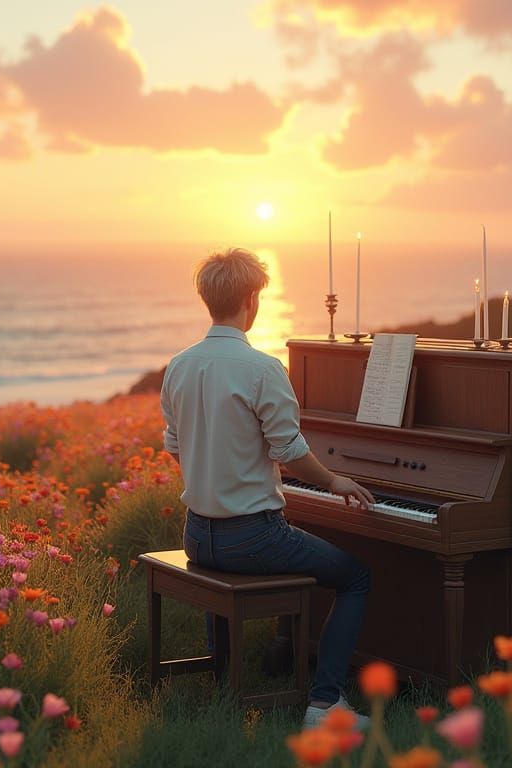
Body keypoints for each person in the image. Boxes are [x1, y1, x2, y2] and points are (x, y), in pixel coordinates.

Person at [160, 247, 376, 728]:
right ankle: (325, 702)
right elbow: (291, 453)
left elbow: (175, 445)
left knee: (284, 549)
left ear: (208, 300)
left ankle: (230, 677)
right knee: (356, 577)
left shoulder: (178, 365)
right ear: (251, 300)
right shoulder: (262, 369)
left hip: (197, 536)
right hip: (251, 539)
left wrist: (213, 476)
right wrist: (334, 479)